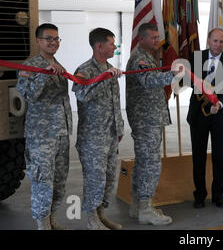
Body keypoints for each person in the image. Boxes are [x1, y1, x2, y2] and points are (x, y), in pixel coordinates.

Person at [126, 23, 184, 225]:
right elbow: (149, 80)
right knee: (150, 164)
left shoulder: (148, 57)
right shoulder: (140, 59)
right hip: (146, 120)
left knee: (143, 163)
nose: (156, 40)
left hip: (149, 118)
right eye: (152, 37)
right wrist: (173, 75)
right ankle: (145, 209)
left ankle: (139, 206)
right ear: (141, 39)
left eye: (157, 37)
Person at [16, 23, 72, 230]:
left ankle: (52, 220)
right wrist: (43, 75)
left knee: (59, 181)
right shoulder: (29, 67)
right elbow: (29, 96)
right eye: (49, 38)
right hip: (42, 137)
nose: (53, 43)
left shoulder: (59, 65)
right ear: (38, 41)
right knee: (43, 183)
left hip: (61, 134)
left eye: (57, 39)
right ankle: (42, 225)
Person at [72, 28, 124, 230]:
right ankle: (92, 218)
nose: (114, 47)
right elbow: (82, 95)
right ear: (99, 46)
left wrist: (118, 129)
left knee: (109, 178)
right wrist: (103, 77)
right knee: (95, 179)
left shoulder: (110, 68)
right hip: (93, 138)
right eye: (112, 43)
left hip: (110, 135)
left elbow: (113, 102)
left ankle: (101, 214)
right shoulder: (85, 70)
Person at [187, 28, 223, 209]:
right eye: (215, 41)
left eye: (221, 42)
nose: (218, 45)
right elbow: (189, 83)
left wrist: (219, 104)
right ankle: (199, 195)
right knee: (198, 157)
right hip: (198, 115)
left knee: (219, 157)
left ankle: (218, 195)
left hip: (220, 116)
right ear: (208, 41)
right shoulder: (195, 58)